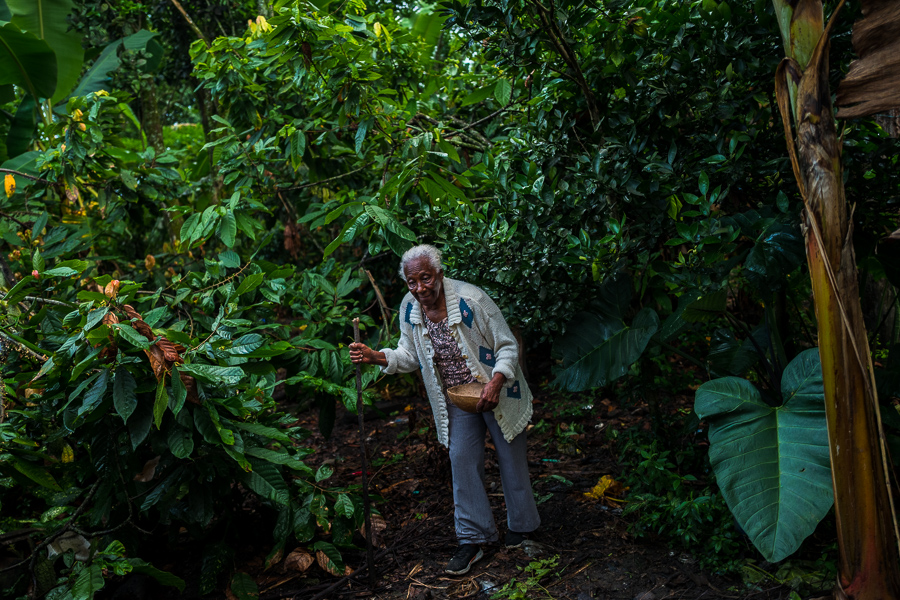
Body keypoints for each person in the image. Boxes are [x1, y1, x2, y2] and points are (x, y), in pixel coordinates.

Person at [349, 244, 540, 575]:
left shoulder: (473, 301)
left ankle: (522, 531)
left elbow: (507, 345)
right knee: (462, 460)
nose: (420, 288)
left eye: (426, 278)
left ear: (439, 274)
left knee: (511, 458)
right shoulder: (410, 308)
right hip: (459, 397)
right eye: (413, 282)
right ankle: (474, 538)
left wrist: (494, 383)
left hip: (498, 389)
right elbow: (410, 355)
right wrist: (376, 356)